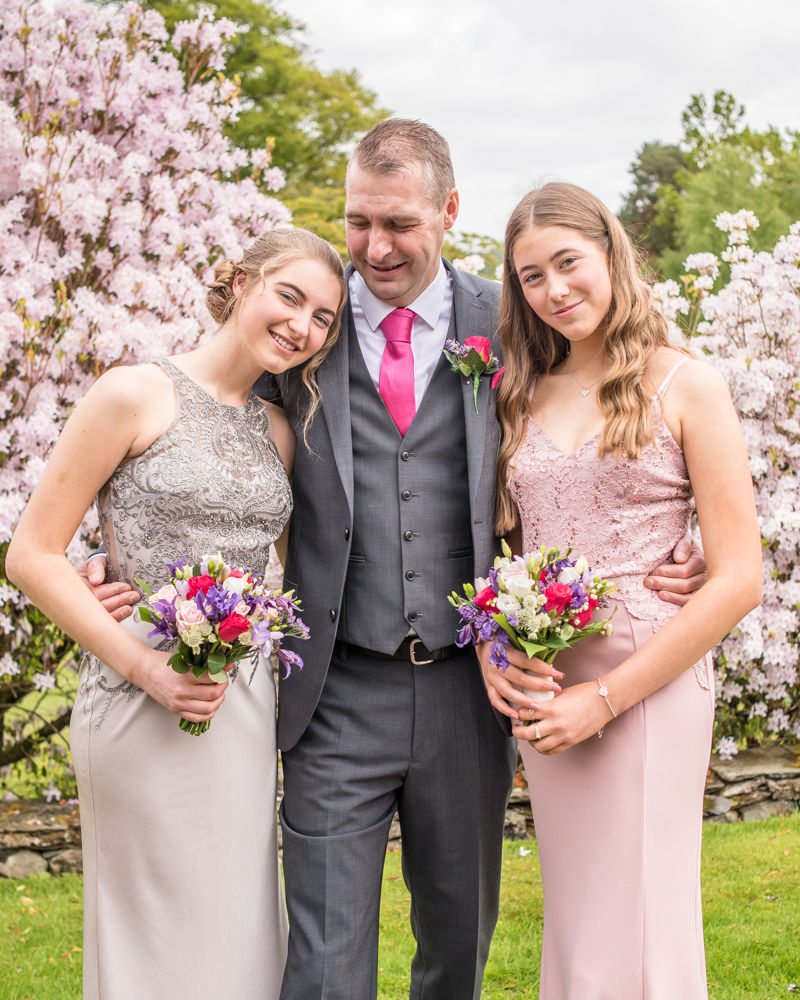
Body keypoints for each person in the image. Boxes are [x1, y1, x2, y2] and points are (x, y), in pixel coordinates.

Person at [80, 121, 706, 1000]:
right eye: (358, 222)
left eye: (401, 224)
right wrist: (104, 548)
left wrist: (687, 546)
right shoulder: (305, 330)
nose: (376, 247)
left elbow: (611, 431)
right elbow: (198, 439)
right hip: (335, 689)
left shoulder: (513, 320)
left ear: (449, 212)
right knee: (328, 963)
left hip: (469, 688)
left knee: (457, 946)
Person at [6, 228, 346, 1000]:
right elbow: (31, 554)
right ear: (238, 281)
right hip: (137, 691)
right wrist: (145, 664)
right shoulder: (133, 392)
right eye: (289, 297)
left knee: (241, 927)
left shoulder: (280, 432)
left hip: (244, 702)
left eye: (324, 317)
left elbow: (275, 567)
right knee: (153, 934)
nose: (302, 326)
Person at [480, 182, 762, 999]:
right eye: (531, 277)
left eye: (568, 263)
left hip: (647, 681)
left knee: (641, 912)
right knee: (581, 917)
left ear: (610, 253)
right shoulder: (517, 393)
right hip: (548, 681)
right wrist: (501, 652)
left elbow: (739, 578)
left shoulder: (687, 386)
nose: (553, 290)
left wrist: (602, 700)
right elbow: (508, 553)